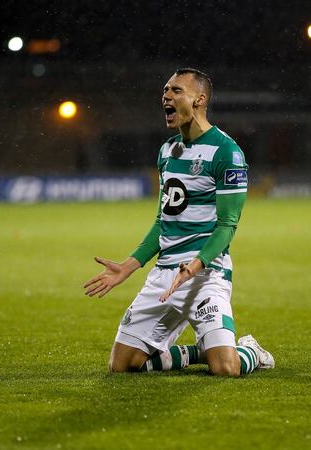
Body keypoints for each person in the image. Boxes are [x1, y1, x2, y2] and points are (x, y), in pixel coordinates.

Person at [83, 68, 274, 376]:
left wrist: (196, 266)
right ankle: (200, 351)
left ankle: (250, 350)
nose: (166, 96)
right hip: (164, 277)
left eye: (175, 91)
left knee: (226, 369)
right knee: (122, 365)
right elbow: (163, 220)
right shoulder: (168, 151)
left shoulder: (227, 153)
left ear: (199, 100)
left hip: (206, 276)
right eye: (165, 91)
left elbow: (227, 226)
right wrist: (128, 266)